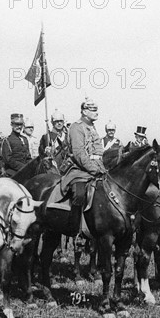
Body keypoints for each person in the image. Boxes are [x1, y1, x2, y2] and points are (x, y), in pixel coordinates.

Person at [61, 98, 106, 232]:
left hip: (98, 167)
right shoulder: (76, 127)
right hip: (79, 169)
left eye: (96, 110)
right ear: (84, 111)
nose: (96, 113)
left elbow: (98, 151)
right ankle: (77, 229)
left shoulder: (92, 127)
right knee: (80, 193)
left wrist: (101, 168)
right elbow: (79, 153)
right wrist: (94, 169)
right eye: (93, 110)